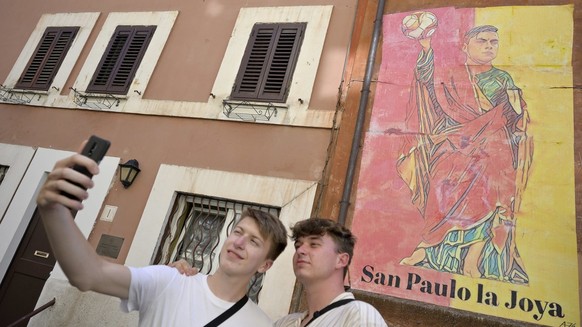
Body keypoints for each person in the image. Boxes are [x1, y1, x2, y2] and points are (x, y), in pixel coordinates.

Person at [36, 148, 288, 327]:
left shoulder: (260, 323)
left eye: (254, 241)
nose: (239, 242)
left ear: (265, 265)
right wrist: (53, 209)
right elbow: (88, 275)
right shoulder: (170, 281)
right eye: (238, 232)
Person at [396, 21, 533, 284]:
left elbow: (513, 117)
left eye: (493, 42)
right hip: (452, 145)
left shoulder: (502, 78)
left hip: (492, 149)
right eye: (482, 41)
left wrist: (517, 107)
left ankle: (473, 259)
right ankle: (430, 248)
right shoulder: (450, 74)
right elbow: (427, 84)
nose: (489, 46)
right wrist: (426, 46)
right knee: (441, 185)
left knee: (487, 193)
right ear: (465, 46)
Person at [172, 218, 388, 326]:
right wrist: (185, 281)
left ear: (342, 259)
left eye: (314, 245)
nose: (301, 250)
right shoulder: (285, 323)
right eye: (298, 245)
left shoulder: (359, 315)